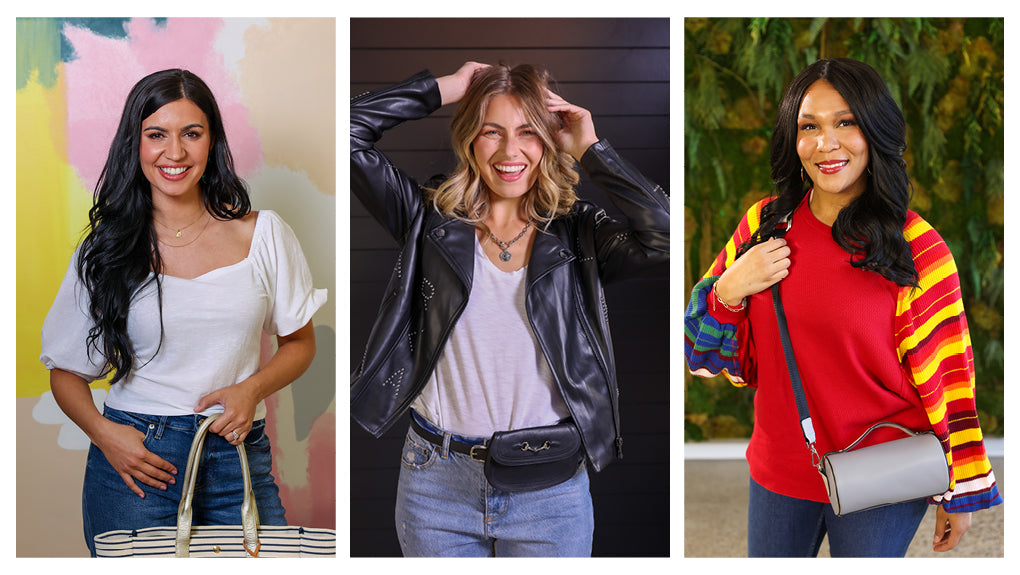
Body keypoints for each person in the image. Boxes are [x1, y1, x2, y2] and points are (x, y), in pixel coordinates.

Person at [684, 57, 1002, 557]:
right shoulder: (764, 227)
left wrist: (960, 488)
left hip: (885, 470)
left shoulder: (917, 249)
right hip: (780, 470)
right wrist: (730, 287)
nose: (825, 144)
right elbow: (701, 354)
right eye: (808, 126)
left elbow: (951, 379)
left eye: (846, 122)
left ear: (875, 131)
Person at [350, 61, 669, 557]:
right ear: (469, 141)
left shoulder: (579, 233)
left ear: (547, 141)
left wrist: (589, 148)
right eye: (490, 132)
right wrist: (444, 88)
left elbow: (664, 234)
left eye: (527, 133)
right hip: (436, 482)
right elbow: (346, 134)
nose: (509, 151)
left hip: (549, 489)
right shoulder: (427, 221)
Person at [40, 68, 327, 556]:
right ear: (136, 144)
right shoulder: (105, 248)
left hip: (237, 451)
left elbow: (300, 343)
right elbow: (66, 373)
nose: (174, 153)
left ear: (211, 143)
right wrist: (108, 437)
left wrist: (251, 389)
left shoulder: (263, 234)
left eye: (191, 134)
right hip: (138, 458)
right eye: (157, 135)